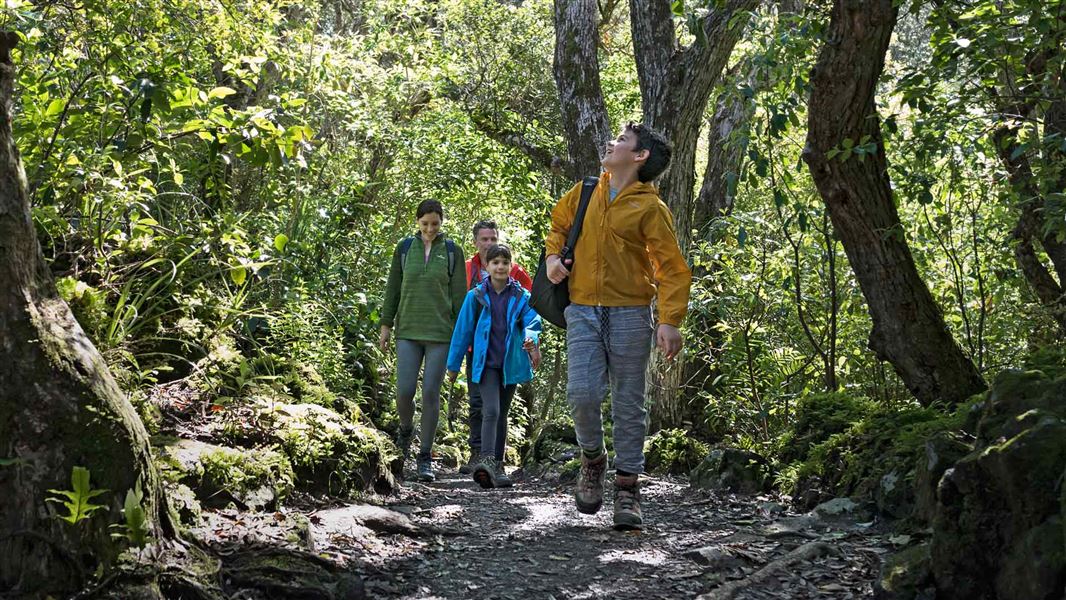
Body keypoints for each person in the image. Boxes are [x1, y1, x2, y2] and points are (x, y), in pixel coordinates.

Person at [544, 123, 692, 530]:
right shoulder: (586, 191)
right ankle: (593, 459)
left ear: (639, 156)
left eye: (622, 141)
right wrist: (553, 260)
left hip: (631, 313)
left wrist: (669, 320)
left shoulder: (650, 208)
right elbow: (558, 228)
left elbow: (672, 268)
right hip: (583, 310)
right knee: (581, 393)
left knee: (629, 404)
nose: (612, 143)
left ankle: (628, 488)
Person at [380, 199, 467, 482]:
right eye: (425, 223)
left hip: (441, 335)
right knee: (404, 391)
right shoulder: (405, 249)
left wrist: (460, 339)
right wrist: (386, 324)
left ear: (442, 223)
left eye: (435, 224)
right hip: (407, 330)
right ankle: (406, 430)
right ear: (417, 222)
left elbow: (460, 299)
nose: (430, 229)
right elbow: (393, 287)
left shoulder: (452, 252)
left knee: (430, 393)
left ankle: (425, 456)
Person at [447, 244, 542, 488]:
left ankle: (497, 467)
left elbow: (533, 320)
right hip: (486, 364)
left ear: (511, 266)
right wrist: (453, 364)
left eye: (504, 262)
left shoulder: (521, 297)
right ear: (486, 267)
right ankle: (487, 459)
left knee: (502, 414)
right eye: (495, 263)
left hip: (509, 365)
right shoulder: (476, 296)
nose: (500, 267)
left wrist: (532, 340)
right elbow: (462, 331)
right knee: (491, 410)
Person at [461, 220, 533, 474]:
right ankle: (478, 454)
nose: (489, 243)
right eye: (484, 239)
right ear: (476, 242)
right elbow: (459, 305)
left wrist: (532, 340)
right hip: (477, 350)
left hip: (507, 354)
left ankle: (493, 460)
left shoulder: (516, 274)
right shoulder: (467, 268)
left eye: (493, 238)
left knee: (497, 408)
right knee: (478, 403)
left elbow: (532, 305)